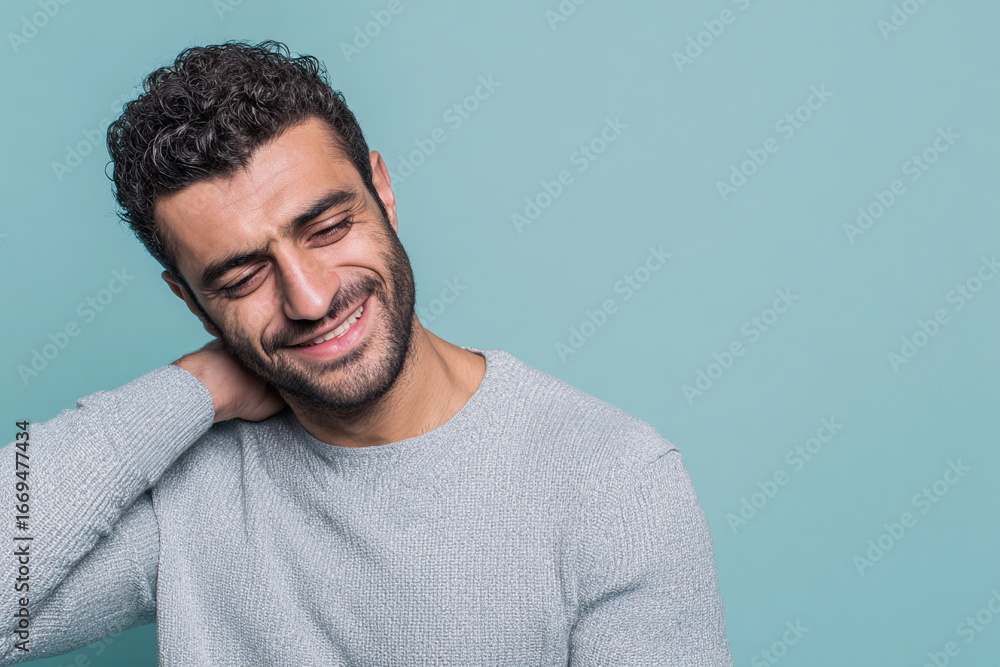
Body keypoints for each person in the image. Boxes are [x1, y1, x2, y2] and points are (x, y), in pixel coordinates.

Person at [1, 40, 734, 666]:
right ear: (192, 302)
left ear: (381, 190)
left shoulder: (614, 484)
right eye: (244, 277)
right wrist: (192, 387)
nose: (310, 298)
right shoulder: (192, 489)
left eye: (326, 229)